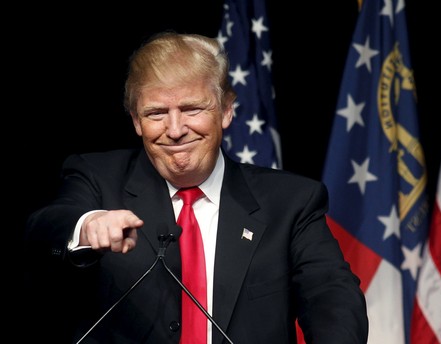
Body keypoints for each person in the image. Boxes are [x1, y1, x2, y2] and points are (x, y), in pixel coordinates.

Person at [24, 32, 368, 343]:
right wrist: (88, 225)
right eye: (156, 113)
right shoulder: (98, 178)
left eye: (191, 109)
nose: (175, 130)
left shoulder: (291, 202)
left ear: (226, 111)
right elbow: (45, 228)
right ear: (135, 121)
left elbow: (331, 295)